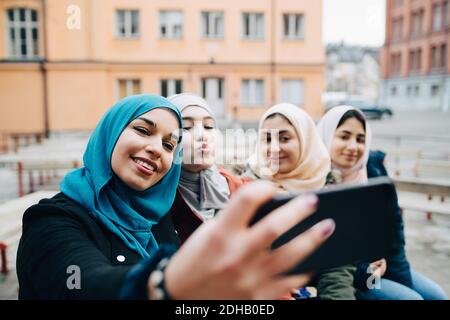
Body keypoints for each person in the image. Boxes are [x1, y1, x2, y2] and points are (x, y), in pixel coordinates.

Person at [16, 94, 336, 300]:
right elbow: (84, 284)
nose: (157, 148)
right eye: (143, 130)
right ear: (110, 132)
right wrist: (162, 284)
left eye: (170, 144)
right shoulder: (53, 220)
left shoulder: (158, 217)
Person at [317, 105, 448, 300]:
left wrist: (400, 276)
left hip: (382, 266)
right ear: (327, 135)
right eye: (344, 136)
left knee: (437, 295)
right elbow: (327, 254)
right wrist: (367, 271)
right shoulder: (316, 180)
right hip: (349, 276)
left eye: (360, 139)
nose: (354, 146)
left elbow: (393, 230)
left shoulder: (373, 172)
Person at [243, 103, 356, 300]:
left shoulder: (328, 193)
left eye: (285, 138)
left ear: (306, 141)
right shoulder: (244, 190)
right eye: (267, 139)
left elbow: (337, 269)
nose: (274, 148)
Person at [167, 93, 250, 243]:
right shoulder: (155, 196)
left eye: (208, 126)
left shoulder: (240, 189)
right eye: (186, 127)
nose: (202, 135)